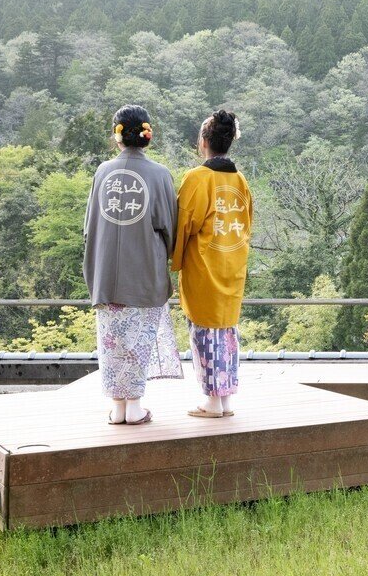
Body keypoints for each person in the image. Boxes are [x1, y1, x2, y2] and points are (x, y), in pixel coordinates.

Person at [83, 105, 182, 425]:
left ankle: (118, 408)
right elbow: (170, 227)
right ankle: (134, 406)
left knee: (111, 341)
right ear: (146, 135)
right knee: (138, 340)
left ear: (118, 136)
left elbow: (89, 227)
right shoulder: (160, 174)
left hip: (107, 274)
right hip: (144, 272)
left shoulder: (102, 172)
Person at [172, 110, 253, 419]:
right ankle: (226, 398)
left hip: (204, 267)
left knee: (205, 333)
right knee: (227, 333)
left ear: (204, 142)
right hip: (232, 265)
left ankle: (212, 401)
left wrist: (174, 257)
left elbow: (183, 224)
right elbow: (247, 224)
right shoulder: (239, 180)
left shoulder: (197, 178)